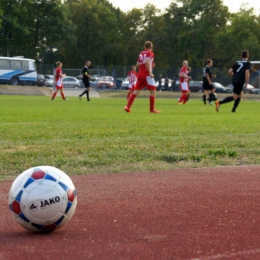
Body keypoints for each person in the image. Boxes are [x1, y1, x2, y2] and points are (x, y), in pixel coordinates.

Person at [124, 41, 160, 113]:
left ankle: (127, 106)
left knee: (136, 91)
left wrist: (150, 65)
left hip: (140, 73)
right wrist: (150, 72)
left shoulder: (141, 53)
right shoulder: (150, 53)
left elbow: (138, 64)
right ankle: (152, 109)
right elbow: (147, 62)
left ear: (144, 47)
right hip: (146, 74)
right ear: (151, 47)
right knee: (153, 91)